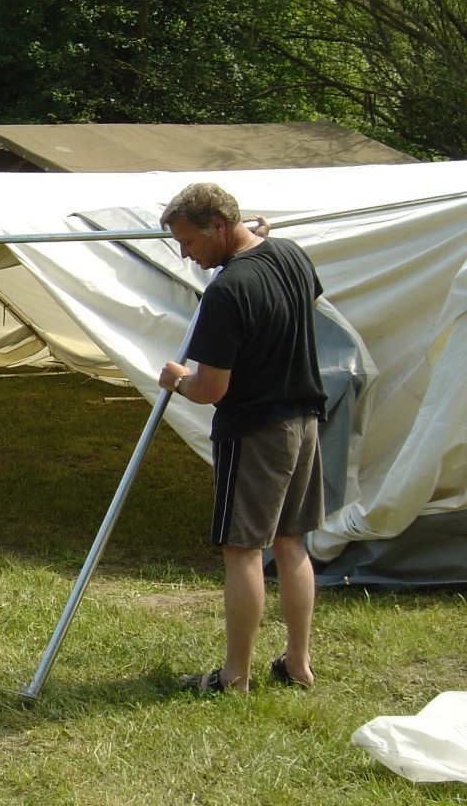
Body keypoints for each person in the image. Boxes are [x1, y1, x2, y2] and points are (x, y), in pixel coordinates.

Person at [157, 182, 325, 694]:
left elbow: (211, 389)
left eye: (188, 241)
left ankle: (234, 677)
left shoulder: (227, 291)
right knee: (290, 541)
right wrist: (258, 240)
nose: (185, 253)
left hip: (255, 430)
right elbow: (304, 299)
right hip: (303, 419)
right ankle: (297, 663)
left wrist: (177, 380)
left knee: (243, 549)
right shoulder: (291, 255)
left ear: (219, 227)